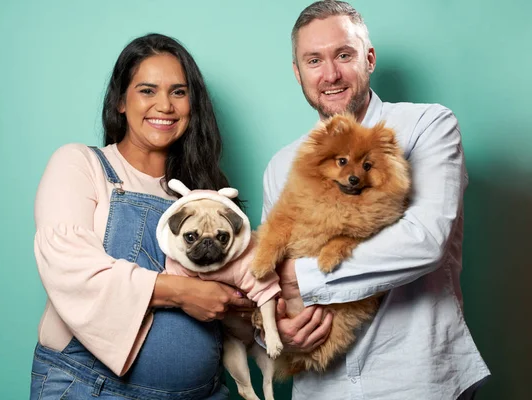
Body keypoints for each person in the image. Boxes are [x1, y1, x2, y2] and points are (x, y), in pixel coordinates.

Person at [263, 2, 491, 399]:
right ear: (298, 73)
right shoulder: (283, 165)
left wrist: (304, 277)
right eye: (314, 60)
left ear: (369, 59)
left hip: (417, 379)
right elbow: (267, 281)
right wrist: (277, 330)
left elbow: (422, 241)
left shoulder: (426, 127)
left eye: (344, 55)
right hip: (320, 386)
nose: (330, 74)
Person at [29, 33, 254, 399]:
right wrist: (183, 293)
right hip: (93, 389)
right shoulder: (82, 165)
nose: (164, 105)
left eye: (179, 92)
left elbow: (238, 297)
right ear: (121, 101)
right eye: (147, 91)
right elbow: (68, 267)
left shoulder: (207, 196)